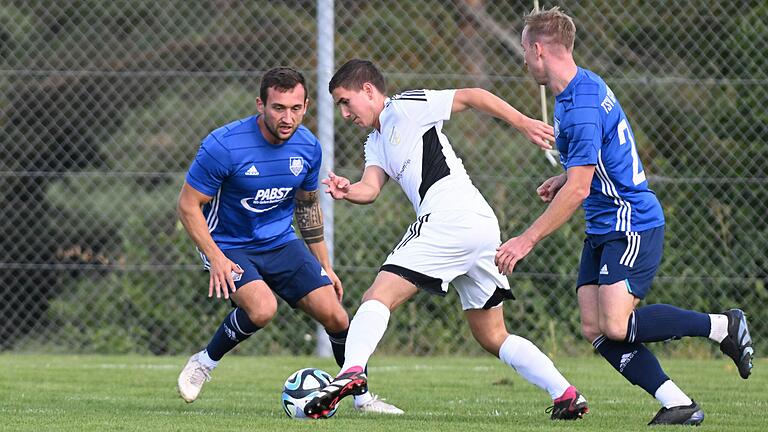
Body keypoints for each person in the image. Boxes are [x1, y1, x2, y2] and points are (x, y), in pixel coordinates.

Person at [495, 7, 754, 426]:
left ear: (539, 49)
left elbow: (582, 187)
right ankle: (678, 403)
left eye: (525, 51)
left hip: (630, 222)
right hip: (603, 224)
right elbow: (590, 168)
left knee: (616, 325)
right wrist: (563, 178)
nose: (523, 60)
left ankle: (722, 326)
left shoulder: (579, 106)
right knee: (594, 327)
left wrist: (527, 239)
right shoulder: (578, 90)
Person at [303, 59, 590, 421]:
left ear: (369, 90)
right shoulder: (374, 142)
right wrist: (348, 190)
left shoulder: (406, 105)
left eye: (346, 101)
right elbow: (371, 188)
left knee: (377, 297)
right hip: (480, 225)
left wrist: (523, 123)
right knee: (492, 335)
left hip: (448, 219)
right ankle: (565, 393)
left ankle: (351, 372)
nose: (344, 113)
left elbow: (471, 95)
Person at [175, 67, 403, 415]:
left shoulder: (308, 147)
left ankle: (362, 399)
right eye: (279, 108)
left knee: (338, 318)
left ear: (306, 106)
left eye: (296, 108)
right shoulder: (224, 146)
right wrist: (216, 258)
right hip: (228, 243)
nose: (288, 117)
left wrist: (324, 265)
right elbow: (188, 206)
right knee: (263, 308)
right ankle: (205, 361)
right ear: (260, 105)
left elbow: (307, 206)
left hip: (280, 241)